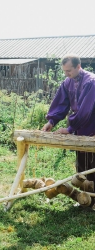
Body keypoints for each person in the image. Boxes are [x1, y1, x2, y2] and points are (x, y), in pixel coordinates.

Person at [42, 54, 95, 208]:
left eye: (69, 71)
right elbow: (61, 103)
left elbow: (86, 112)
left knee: (93, 166)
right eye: (64, 71)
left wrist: (70, 128)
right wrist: (51, 121)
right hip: (80, 130)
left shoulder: (91, 82)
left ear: (78, 67)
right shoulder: (67, 82)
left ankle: (94, 201)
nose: (66, 74)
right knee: (81, 166)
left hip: (92, 127)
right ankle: (84, 199)